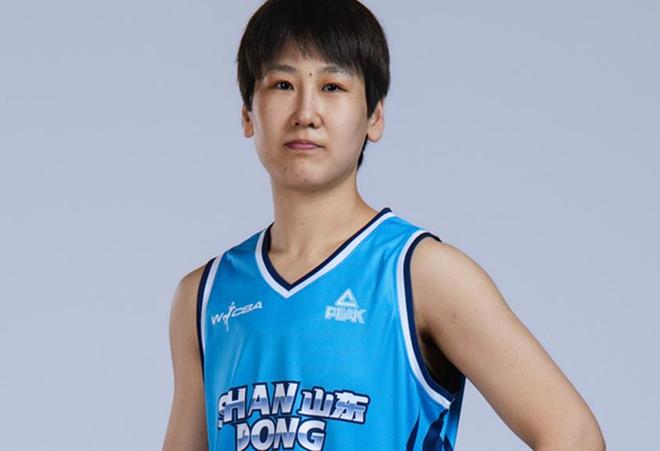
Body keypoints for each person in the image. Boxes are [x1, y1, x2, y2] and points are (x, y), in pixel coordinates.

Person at [163, 1, 605, 450]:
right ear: (247, 114)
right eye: (282, 84)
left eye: (332, 86)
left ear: (374, 116)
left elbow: (574, 435)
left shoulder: (422, 275)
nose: (305, 112)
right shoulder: (204, 296)